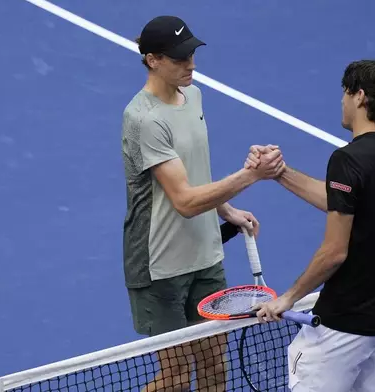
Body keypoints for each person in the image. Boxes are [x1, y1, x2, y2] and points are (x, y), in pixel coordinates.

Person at [121, 15, 284, 391]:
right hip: (159, 265)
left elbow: (192, 170)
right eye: (179, 58)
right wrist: (251, 176)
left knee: (214, 368)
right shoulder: (144, 119)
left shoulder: (193, 95)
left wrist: (226, 210)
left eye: (191, 54)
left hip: (205, 254)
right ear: (153, 60)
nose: (191, 64)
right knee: (175, 379)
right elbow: (185, 201)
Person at [248, 60, 375, 391]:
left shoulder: (348, 159)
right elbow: (342, 200)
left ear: (359, 96)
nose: (341, 102)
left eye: (344, 93)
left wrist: (288, 298)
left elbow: (334, 252)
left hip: (343, 325)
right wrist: (280, 173)